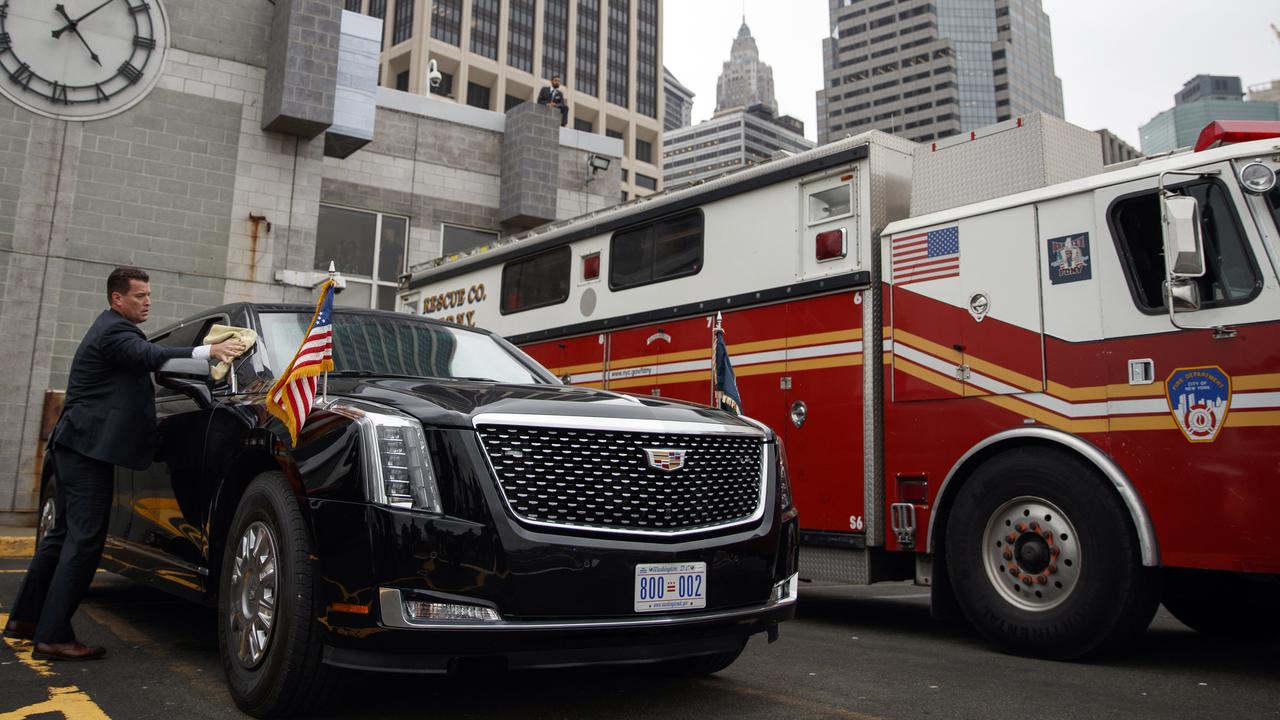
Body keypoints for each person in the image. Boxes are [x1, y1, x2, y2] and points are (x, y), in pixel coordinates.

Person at [2, 267, 245, 661]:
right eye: (140, 295)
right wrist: (209, 351)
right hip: (86, 452)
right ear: (118, 299)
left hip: (76, 447)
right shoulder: (116, 331)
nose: (148, 300)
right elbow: (150, 356)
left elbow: (155, 364)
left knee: (62, 537)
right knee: (84, 542)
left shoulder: (114, 329)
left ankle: (26, 620)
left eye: (149, 294)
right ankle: (52, 635)